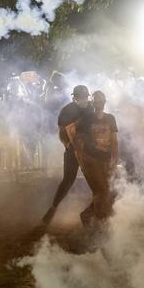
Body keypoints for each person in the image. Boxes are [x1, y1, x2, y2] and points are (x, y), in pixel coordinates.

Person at [42, 85, 93, 226]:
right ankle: (53, 208)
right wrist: (68, 145)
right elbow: (61, 132)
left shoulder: (91, 107)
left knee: (94, 179)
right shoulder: (67, 111)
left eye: (86, 97)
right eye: (81, 97)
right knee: (68, 180)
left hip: (88, 149)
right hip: (72, 150)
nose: (84, 100)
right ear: (74, 98)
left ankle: (91, 211)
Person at [73, 91, 119, 225]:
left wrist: (114, 160)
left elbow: (115, 141)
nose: (99, 104)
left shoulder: (110, 118)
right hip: (92, 161)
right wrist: (84, 156)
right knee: (102, 190)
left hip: (106, 159)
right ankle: (100, 221)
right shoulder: (86, 119)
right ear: (92, 103)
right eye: (96, 101)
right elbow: (76, 140)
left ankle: (88, 214)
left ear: (105, 102)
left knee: (105, 191)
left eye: (101, 101)